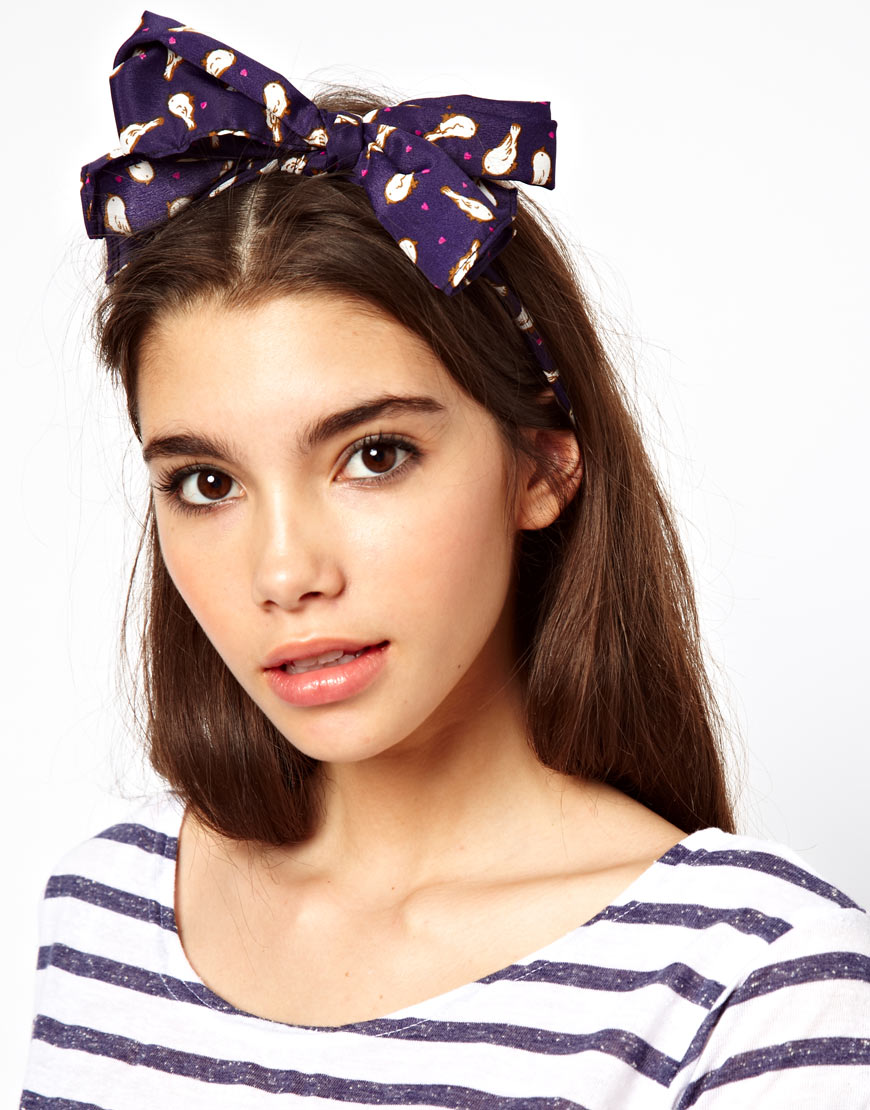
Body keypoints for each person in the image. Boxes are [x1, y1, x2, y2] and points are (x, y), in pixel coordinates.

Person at [21, 10, 870, 1108]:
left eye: (375, 455)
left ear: (541, 469)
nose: (285, 572)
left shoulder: (753, 987)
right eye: (207, 483)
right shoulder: (108, 910)